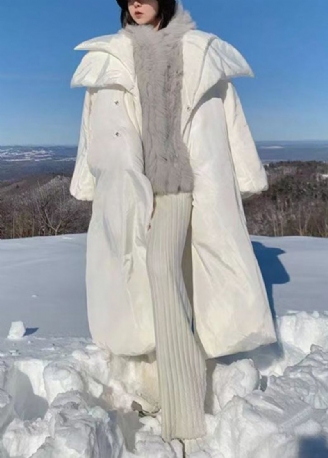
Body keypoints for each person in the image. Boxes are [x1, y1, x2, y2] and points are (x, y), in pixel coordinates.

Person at [70, 0, 277, 447]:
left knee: (163, 272)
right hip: (132, 192)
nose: (136, 3)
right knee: (152, 283)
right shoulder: (109, 57)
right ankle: (156, 383)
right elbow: (90, 128)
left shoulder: (200, 52)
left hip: (182, 187)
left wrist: (246, 172)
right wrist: (88, 181)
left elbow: (230, 116)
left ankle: (184, 416)